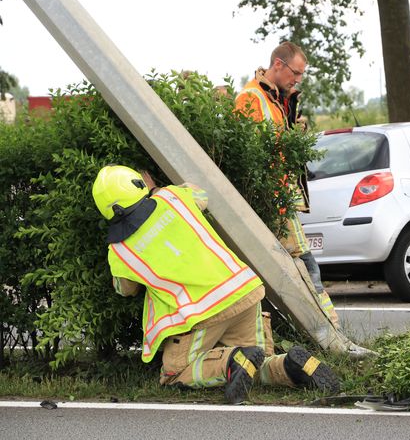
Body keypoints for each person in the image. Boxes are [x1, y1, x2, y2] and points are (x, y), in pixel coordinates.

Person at [91, 164, 340, 404]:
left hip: (201, 314)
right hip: (244, 291)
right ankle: (291, 366)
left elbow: (125, 289)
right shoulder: (173, 197)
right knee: (255, 364)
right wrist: (156, 191)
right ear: (139, 184)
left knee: (174, 374)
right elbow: (201, 195)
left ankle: (231, 360)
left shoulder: (119, 251)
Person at [235, 41, 339, 327]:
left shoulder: (276, 99)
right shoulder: (252, 99)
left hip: (282, 197)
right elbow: (256, 153)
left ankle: (309, 326)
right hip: (274, 198)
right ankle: (327, 327)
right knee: (304, 264)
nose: (298, 79)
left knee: (292, 267)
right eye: (296, 72)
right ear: (278, 65)